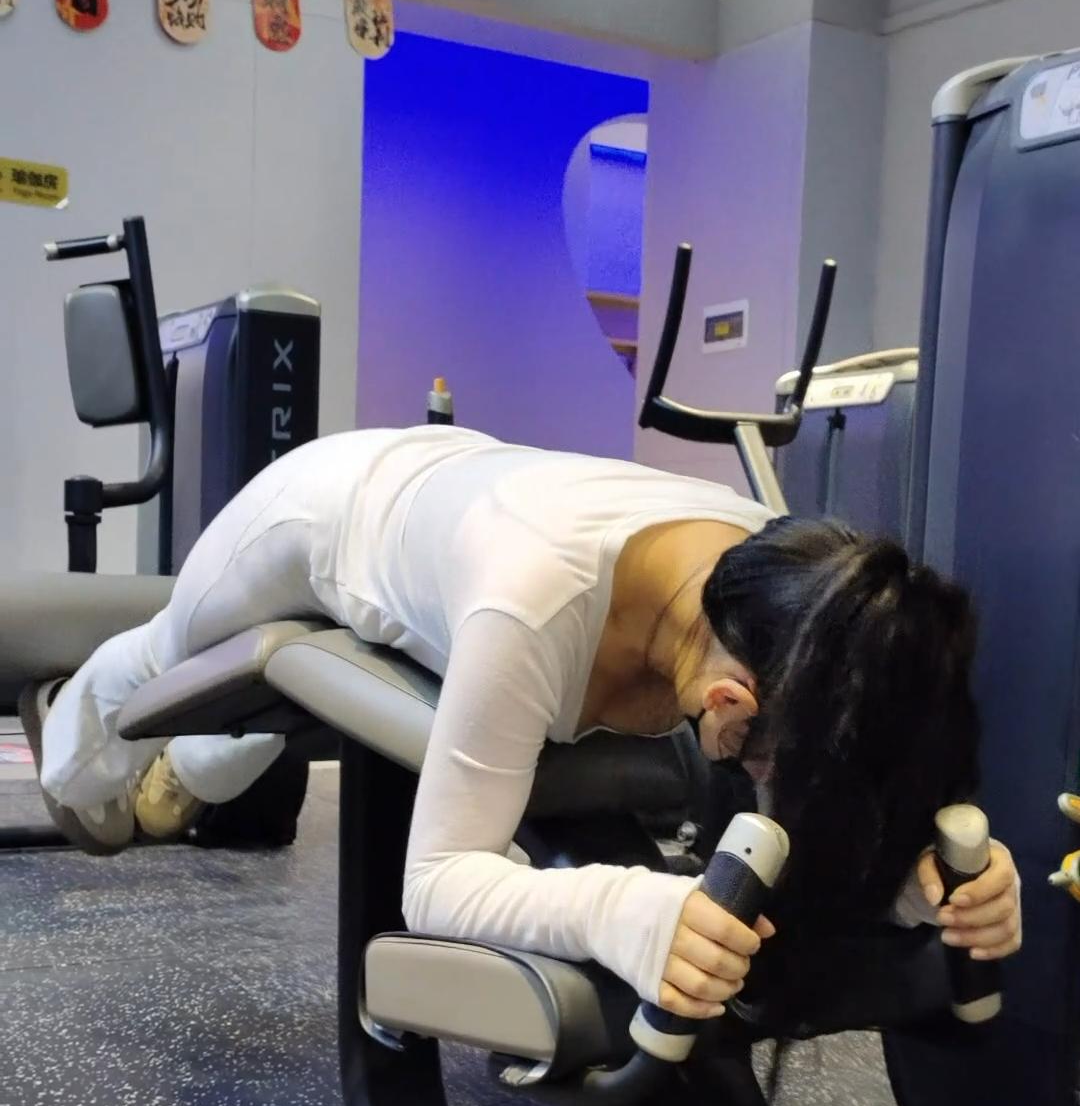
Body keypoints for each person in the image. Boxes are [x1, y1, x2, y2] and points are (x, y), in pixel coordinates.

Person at [22, 424, 1022, 1019]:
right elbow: (437, 882)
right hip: (321, 510)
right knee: (167, 665)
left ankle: (195, 774)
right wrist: (624, 911)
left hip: (480, 497)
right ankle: (69, 737)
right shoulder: (533, 608)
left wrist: (916, 882)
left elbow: (846, 765)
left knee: (221, 761)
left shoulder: (803, 600)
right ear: (728, 704)